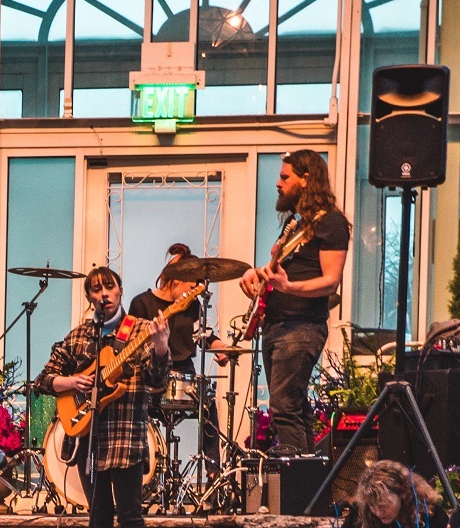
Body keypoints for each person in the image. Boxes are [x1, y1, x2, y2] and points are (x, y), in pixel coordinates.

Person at [35, 266, 169, 528]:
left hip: (126, 432)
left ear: (121, 290)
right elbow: (44, 379)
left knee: (129, 514)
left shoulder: (138, 330)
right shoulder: (80, 335)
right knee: (98, 515)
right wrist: (72, 382)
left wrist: (161, 347)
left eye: (109, 287)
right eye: (96, 290)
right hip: (89, 436)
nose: (104, 294)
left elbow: (157, 384)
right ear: (90, 298)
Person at [238, 150, 349, 459]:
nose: (278, 183)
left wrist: (288, 286)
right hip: (278, 326)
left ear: (306, 179)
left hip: (300, 328)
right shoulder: (298, 225)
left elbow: (330, 280)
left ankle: (295, 488)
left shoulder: (332, 222)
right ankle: (306, 488)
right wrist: (256, 274)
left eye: (285, 177)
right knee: (294, 409)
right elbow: (281, 273)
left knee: (284, 407)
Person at [130, 243, 223, 464]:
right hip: (151, 375)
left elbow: (205, 335)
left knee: (208, 406)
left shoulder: (192, 305)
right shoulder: (141, 303)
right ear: (176, 279)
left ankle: (212, 471)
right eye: (191, 285)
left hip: (184, 373)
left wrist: (224, 348)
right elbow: (129, 343)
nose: (193, 291)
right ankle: (142, 467)